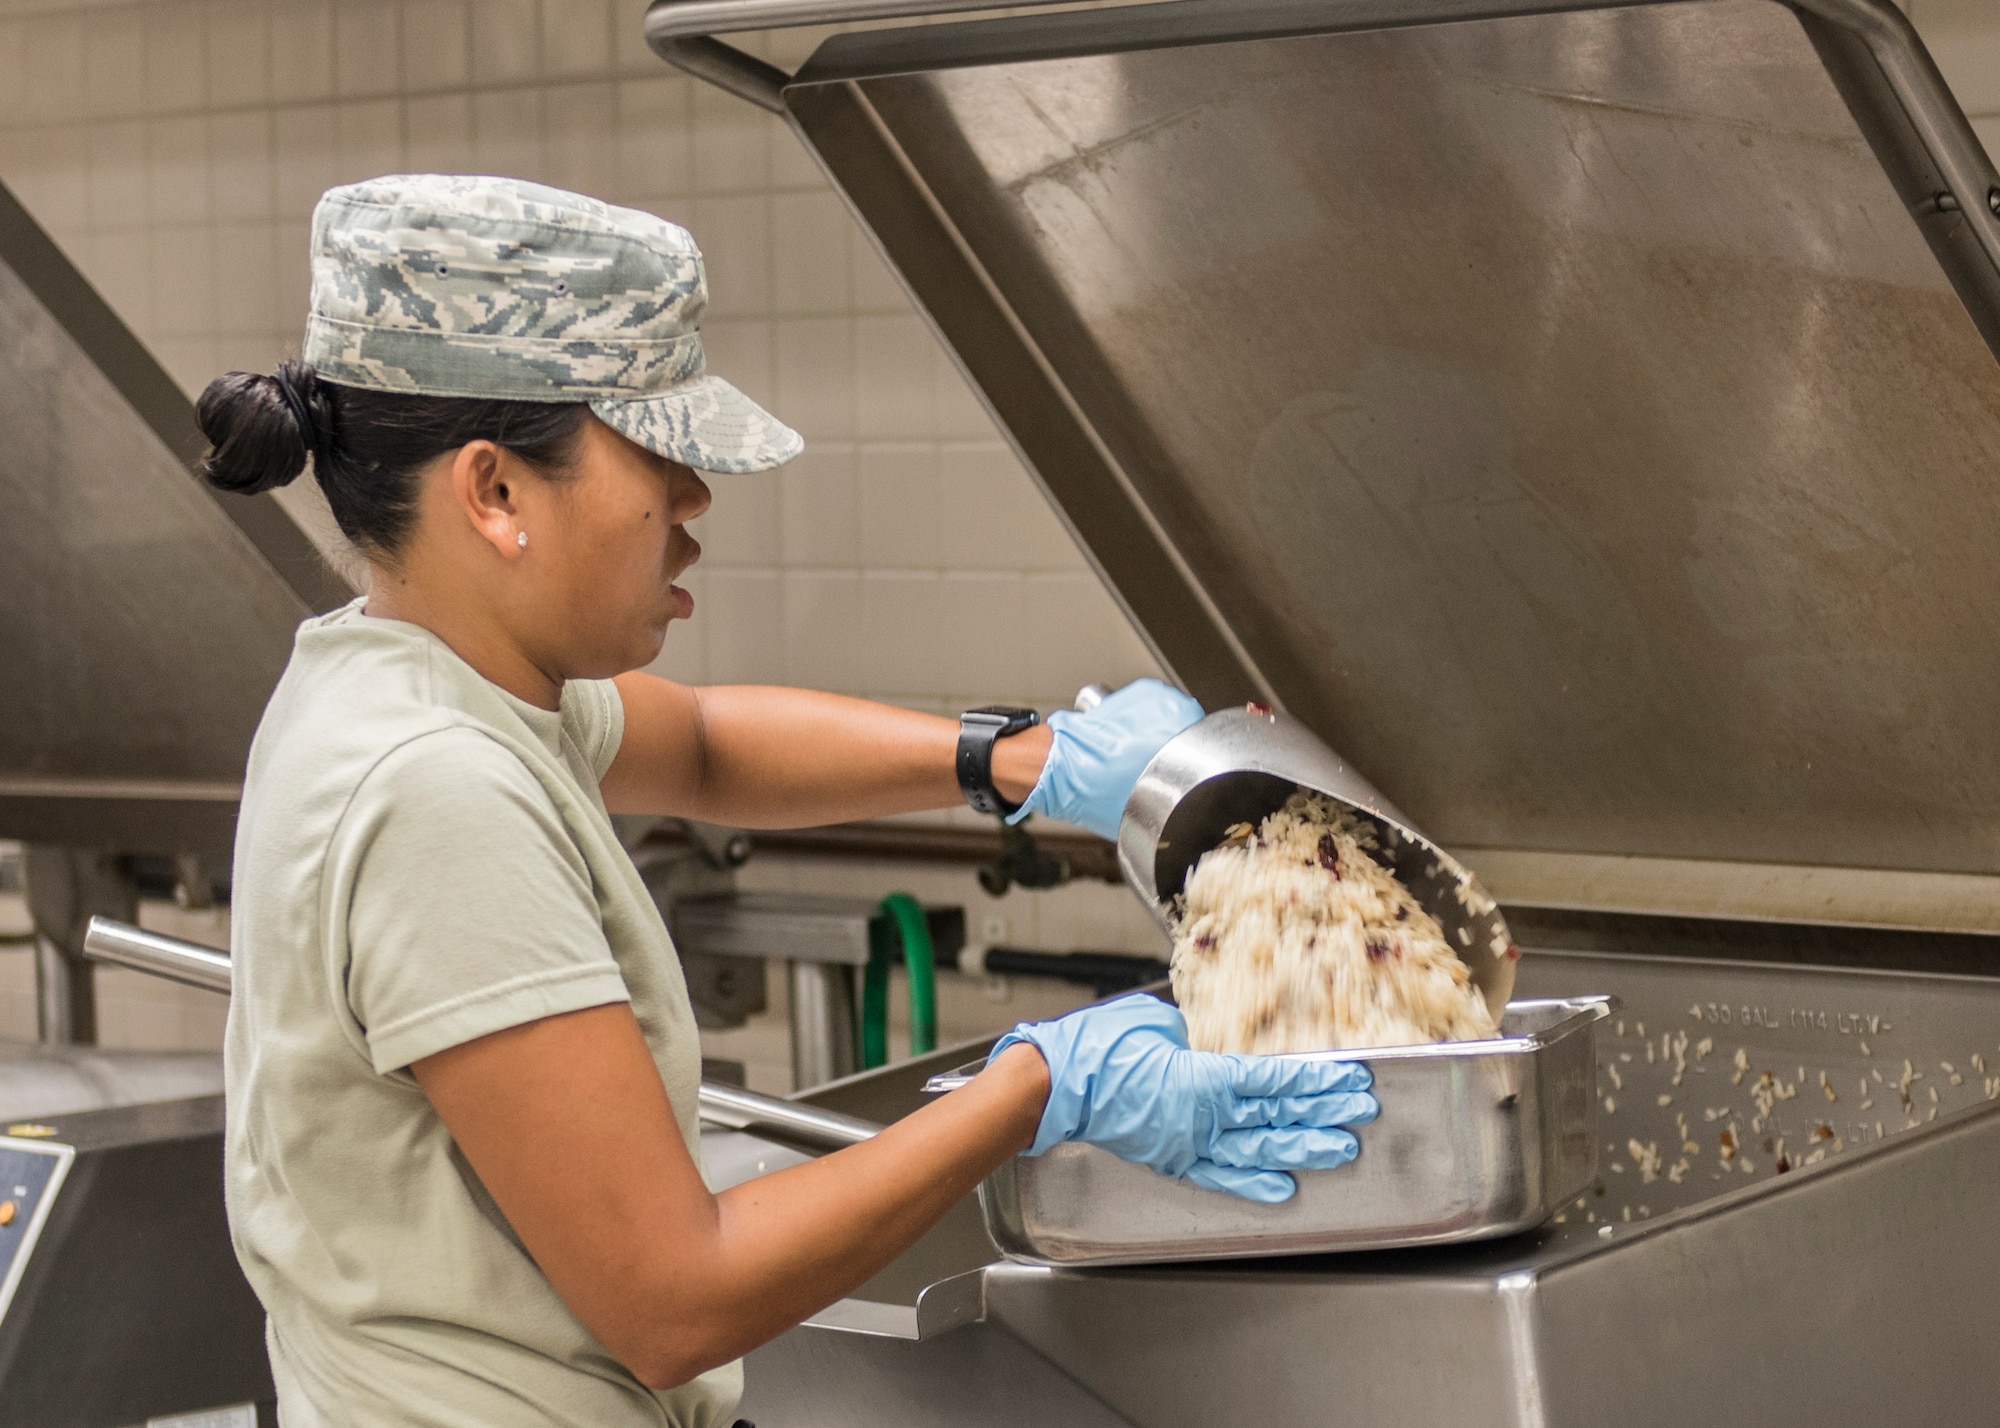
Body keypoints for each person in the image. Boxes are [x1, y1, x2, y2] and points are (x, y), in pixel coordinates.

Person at [198, 175, 1378, 1428]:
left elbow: (705, 748)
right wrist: (1035, 1086)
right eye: (657, 453)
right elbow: (675, 1301)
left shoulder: (406, 677)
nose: (694, 501)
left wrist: (1021, 760)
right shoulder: (433, 792)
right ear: (494, 493)